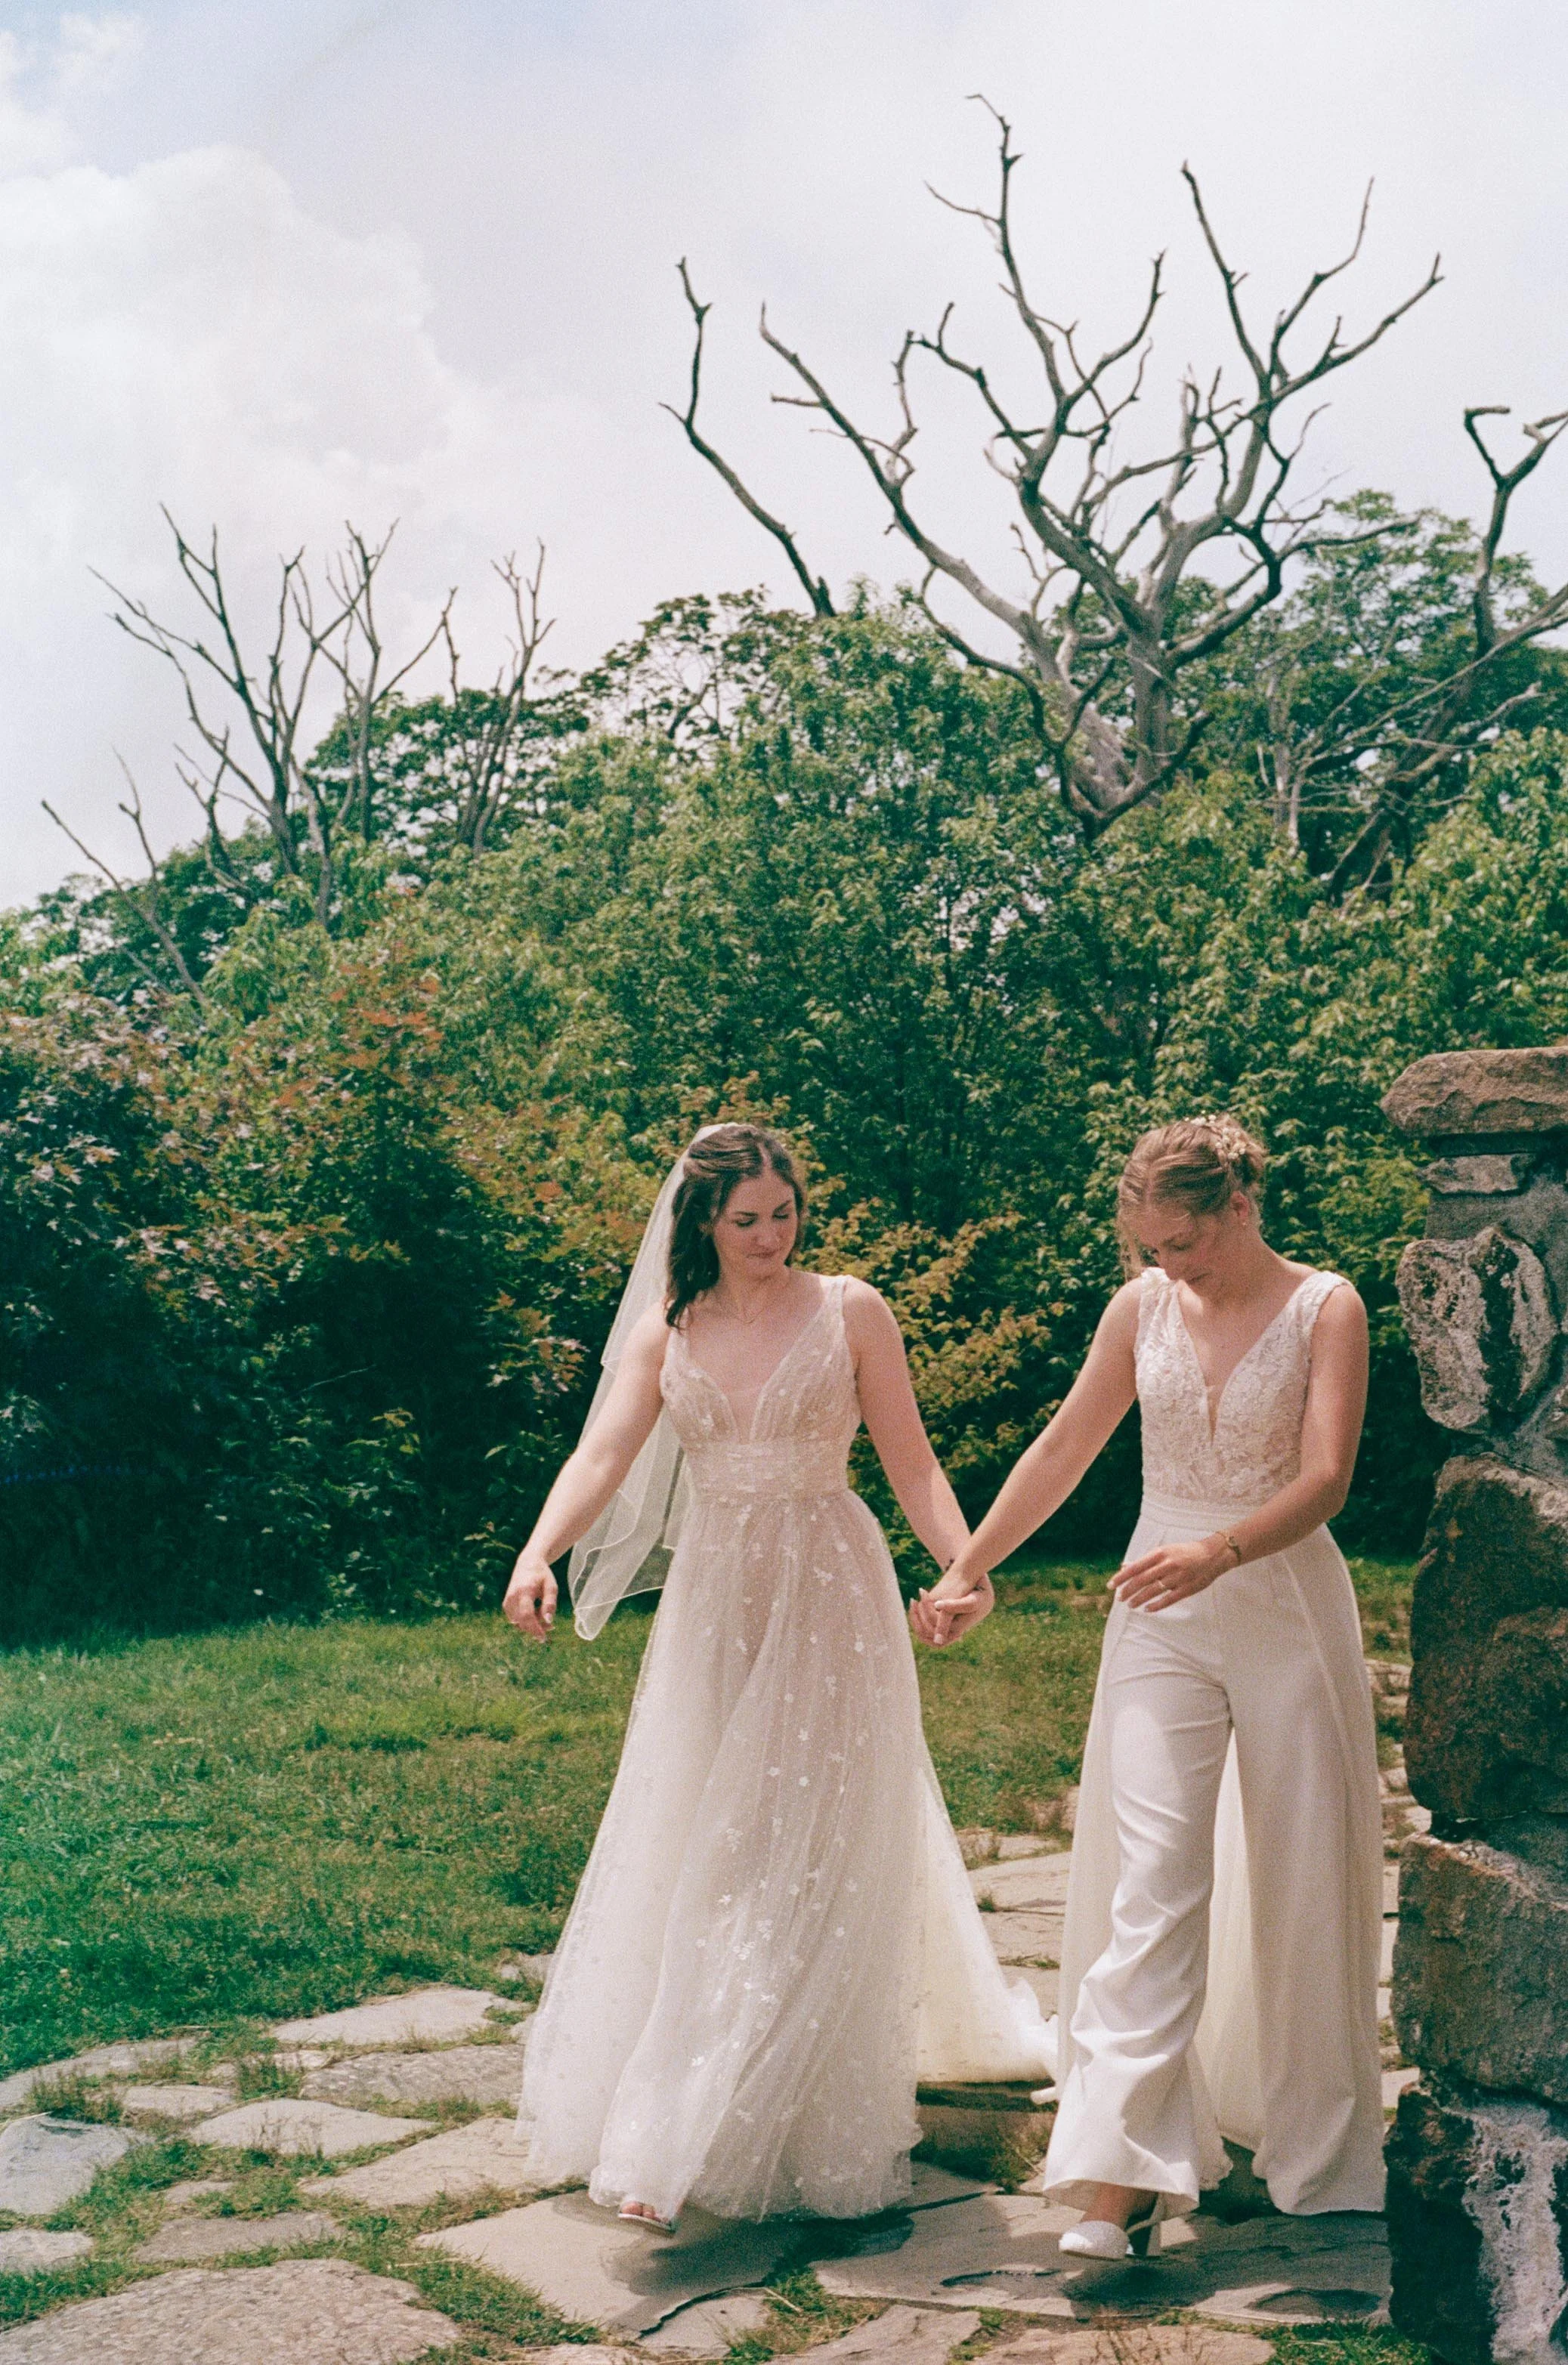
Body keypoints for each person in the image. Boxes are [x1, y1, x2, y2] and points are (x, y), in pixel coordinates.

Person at [503, 1121, 1052, 2231]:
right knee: (714, 1839)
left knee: (801, 1834)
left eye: (783, 1213)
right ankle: (692, 2093)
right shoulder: (672, 1328)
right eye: (745, 1218)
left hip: (831, 1589)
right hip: (716, 1599)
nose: (769, 1234)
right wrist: (537, 1549)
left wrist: (964, 1564)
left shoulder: (851, 1309)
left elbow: (912, 1457)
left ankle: (700, 2125)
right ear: (701, 1221)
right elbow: (600, 1454)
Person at [914, 1115, 1384, 2257]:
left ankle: (1318, 2151)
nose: (1169, 1266)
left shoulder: (1329, 1306)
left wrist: (1218, 1551)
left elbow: (1325, 1478)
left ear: (1237, 1206)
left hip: (1281, 1603)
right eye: (1150, 1248)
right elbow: (1064, 1447)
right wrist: (966, 1563)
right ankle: (1119, 2176)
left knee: (1302, 1871)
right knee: (1151, 1874)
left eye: (1183, 1242)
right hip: (1155, 1609)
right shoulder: (1138, 1309)